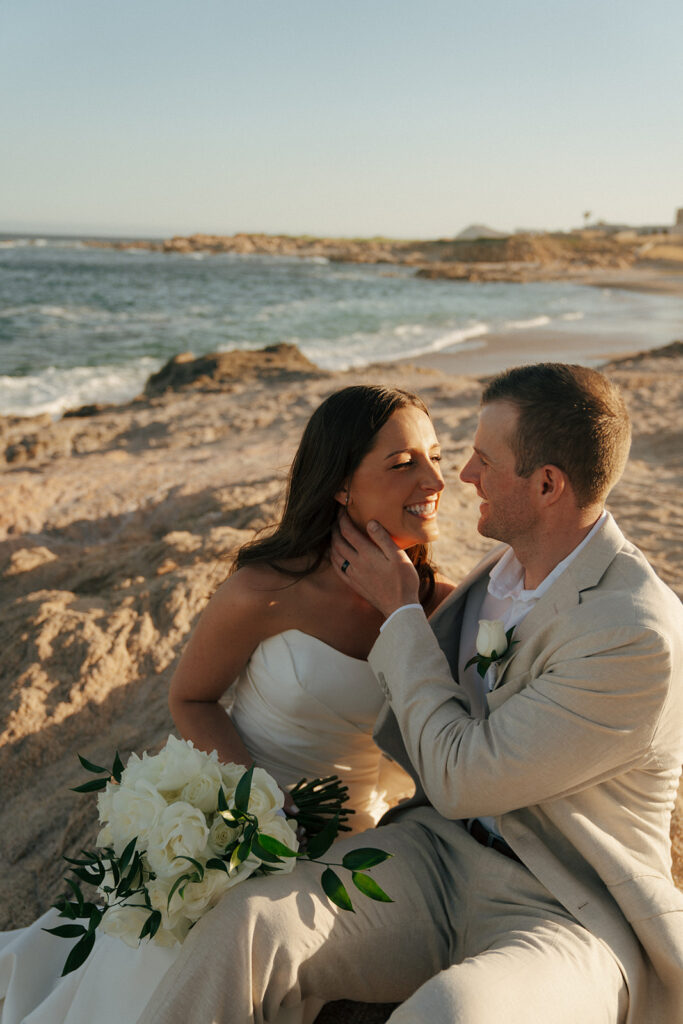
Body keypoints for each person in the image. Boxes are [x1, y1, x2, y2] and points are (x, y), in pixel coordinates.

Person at [137, 362, 682, 1024]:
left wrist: (399, 616)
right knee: (249, 927)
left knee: (453, 1012)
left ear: (545, 484)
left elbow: (460, 776)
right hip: (432, 857)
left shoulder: (632, 634)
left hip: (562, 902)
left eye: (480, 460)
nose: (460, 478)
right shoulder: (498, 574)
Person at [0, 384, 453, 1024]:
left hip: (353, 843)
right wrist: (259, 801)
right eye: (403, 463)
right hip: (237, 810)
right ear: (341, 486)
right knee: (165, 962)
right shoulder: (265, 588)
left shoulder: (439, 608)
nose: (436, 478)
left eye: (437, 455)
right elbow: (191, 698)